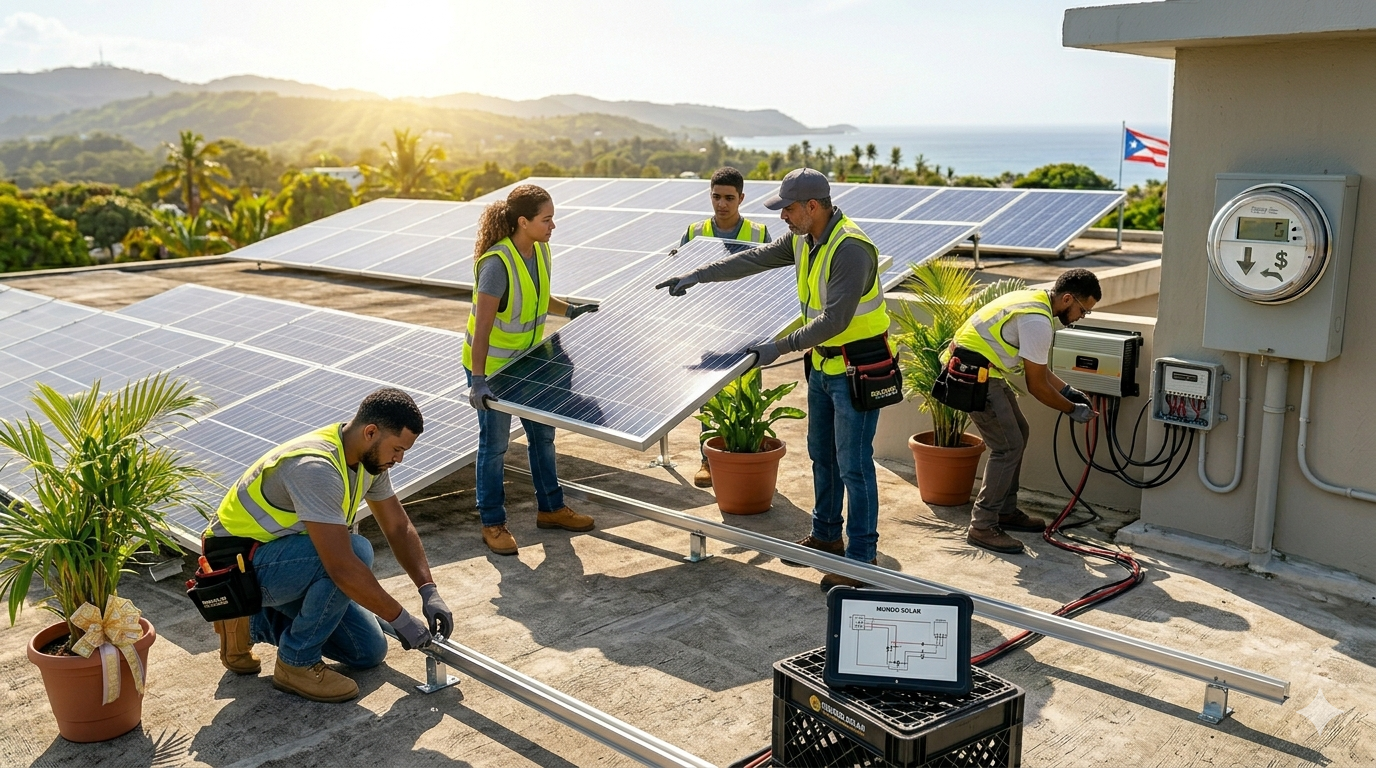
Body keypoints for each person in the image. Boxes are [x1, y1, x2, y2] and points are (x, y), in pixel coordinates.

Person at [656, 167, 889, 591]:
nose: (782, 216)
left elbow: (834, 320)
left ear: (813, 206)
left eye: (788, 208)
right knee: (822, 454)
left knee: (854, 464)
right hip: (822, 365)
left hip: (856, 366)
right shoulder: (805, 238)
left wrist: (776, 348)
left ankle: (862, 559)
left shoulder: (850, 248)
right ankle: (826, 536)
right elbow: (753, 258)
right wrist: (697, 274)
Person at [204, 388, 453, 703]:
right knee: (356, 552)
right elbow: (340, 566)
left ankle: (249, 622)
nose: (399, 459)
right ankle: (296, 663)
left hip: (284, 564)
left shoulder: (368, 460)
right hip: (236, 568)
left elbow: (398, 526)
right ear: (371, 432)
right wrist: (400, 617)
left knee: (367, 651)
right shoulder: (316, 468)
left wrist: (428, 589)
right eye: (397, 449)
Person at [462, 183, 598, 556]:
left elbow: (538, 295)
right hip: (491, 370)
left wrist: (570, 310)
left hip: (530, 362)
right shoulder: (496, 264)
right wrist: (477, 381)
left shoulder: (540, 250)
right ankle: (492, 523)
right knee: (495, 447)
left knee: (543, 436)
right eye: (547, 219)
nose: (553, 226)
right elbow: (484, 328)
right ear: (523, 222)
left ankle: (551, 509)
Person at [950, 268, 1101, 554]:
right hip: (975, 376)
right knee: (1007, 447)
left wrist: (1068, 391)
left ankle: (1005, 511)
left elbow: (1039, 372)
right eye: (1084, 310)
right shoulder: (1037, 322)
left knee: (1019, 432)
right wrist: (1072, 409)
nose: (1082, 316)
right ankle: (982, 525)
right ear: (1068, 299)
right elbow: (1037, 386)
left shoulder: (1035, 300)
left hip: (982, 370)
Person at [680, 166, 770, 488]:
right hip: (707, 324)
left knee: (748, 392)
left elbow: (774, 282)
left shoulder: (760, 235)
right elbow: (681, 275)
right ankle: (708, 459)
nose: (722, 204)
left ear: (741, 198)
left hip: (747, 325)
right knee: (709, 395)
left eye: (729, 198)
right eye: (716, 197)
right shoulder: (694, 232)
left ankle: (745, 454)